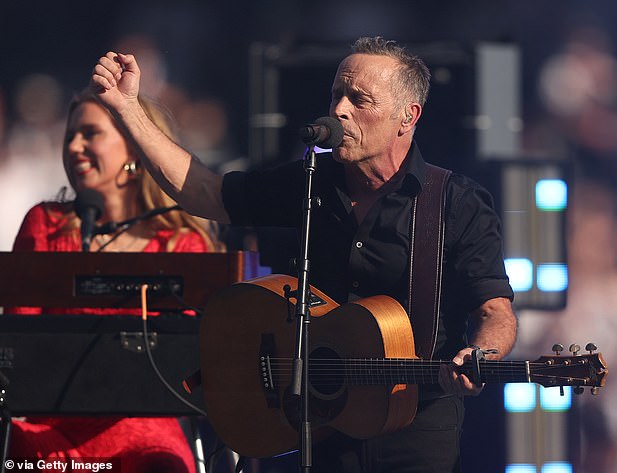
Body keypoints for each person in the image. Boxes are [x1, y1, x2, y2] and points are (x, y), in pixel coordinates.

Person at [90, 36, 517, 472]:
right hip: (319, 422)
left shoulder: (455, 203)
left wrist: (482, 353)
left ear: (407, 116)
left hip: (414, 428)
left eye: (359, 99)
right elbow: (206, 193)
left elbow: (494, 308)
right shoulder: (313, 180)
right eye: (336, 95)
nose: (339, 110)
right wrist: (128, 109)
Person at [7, 88, 223, 472]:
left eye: (90, 134)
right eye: (70, 135)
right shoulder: (45, 225)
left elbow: (188, 370)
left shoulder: (180, 243)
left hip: (144, 435)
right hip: (48, 431)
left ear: (135, 147)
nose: (74, 146)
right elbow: (19, 344)